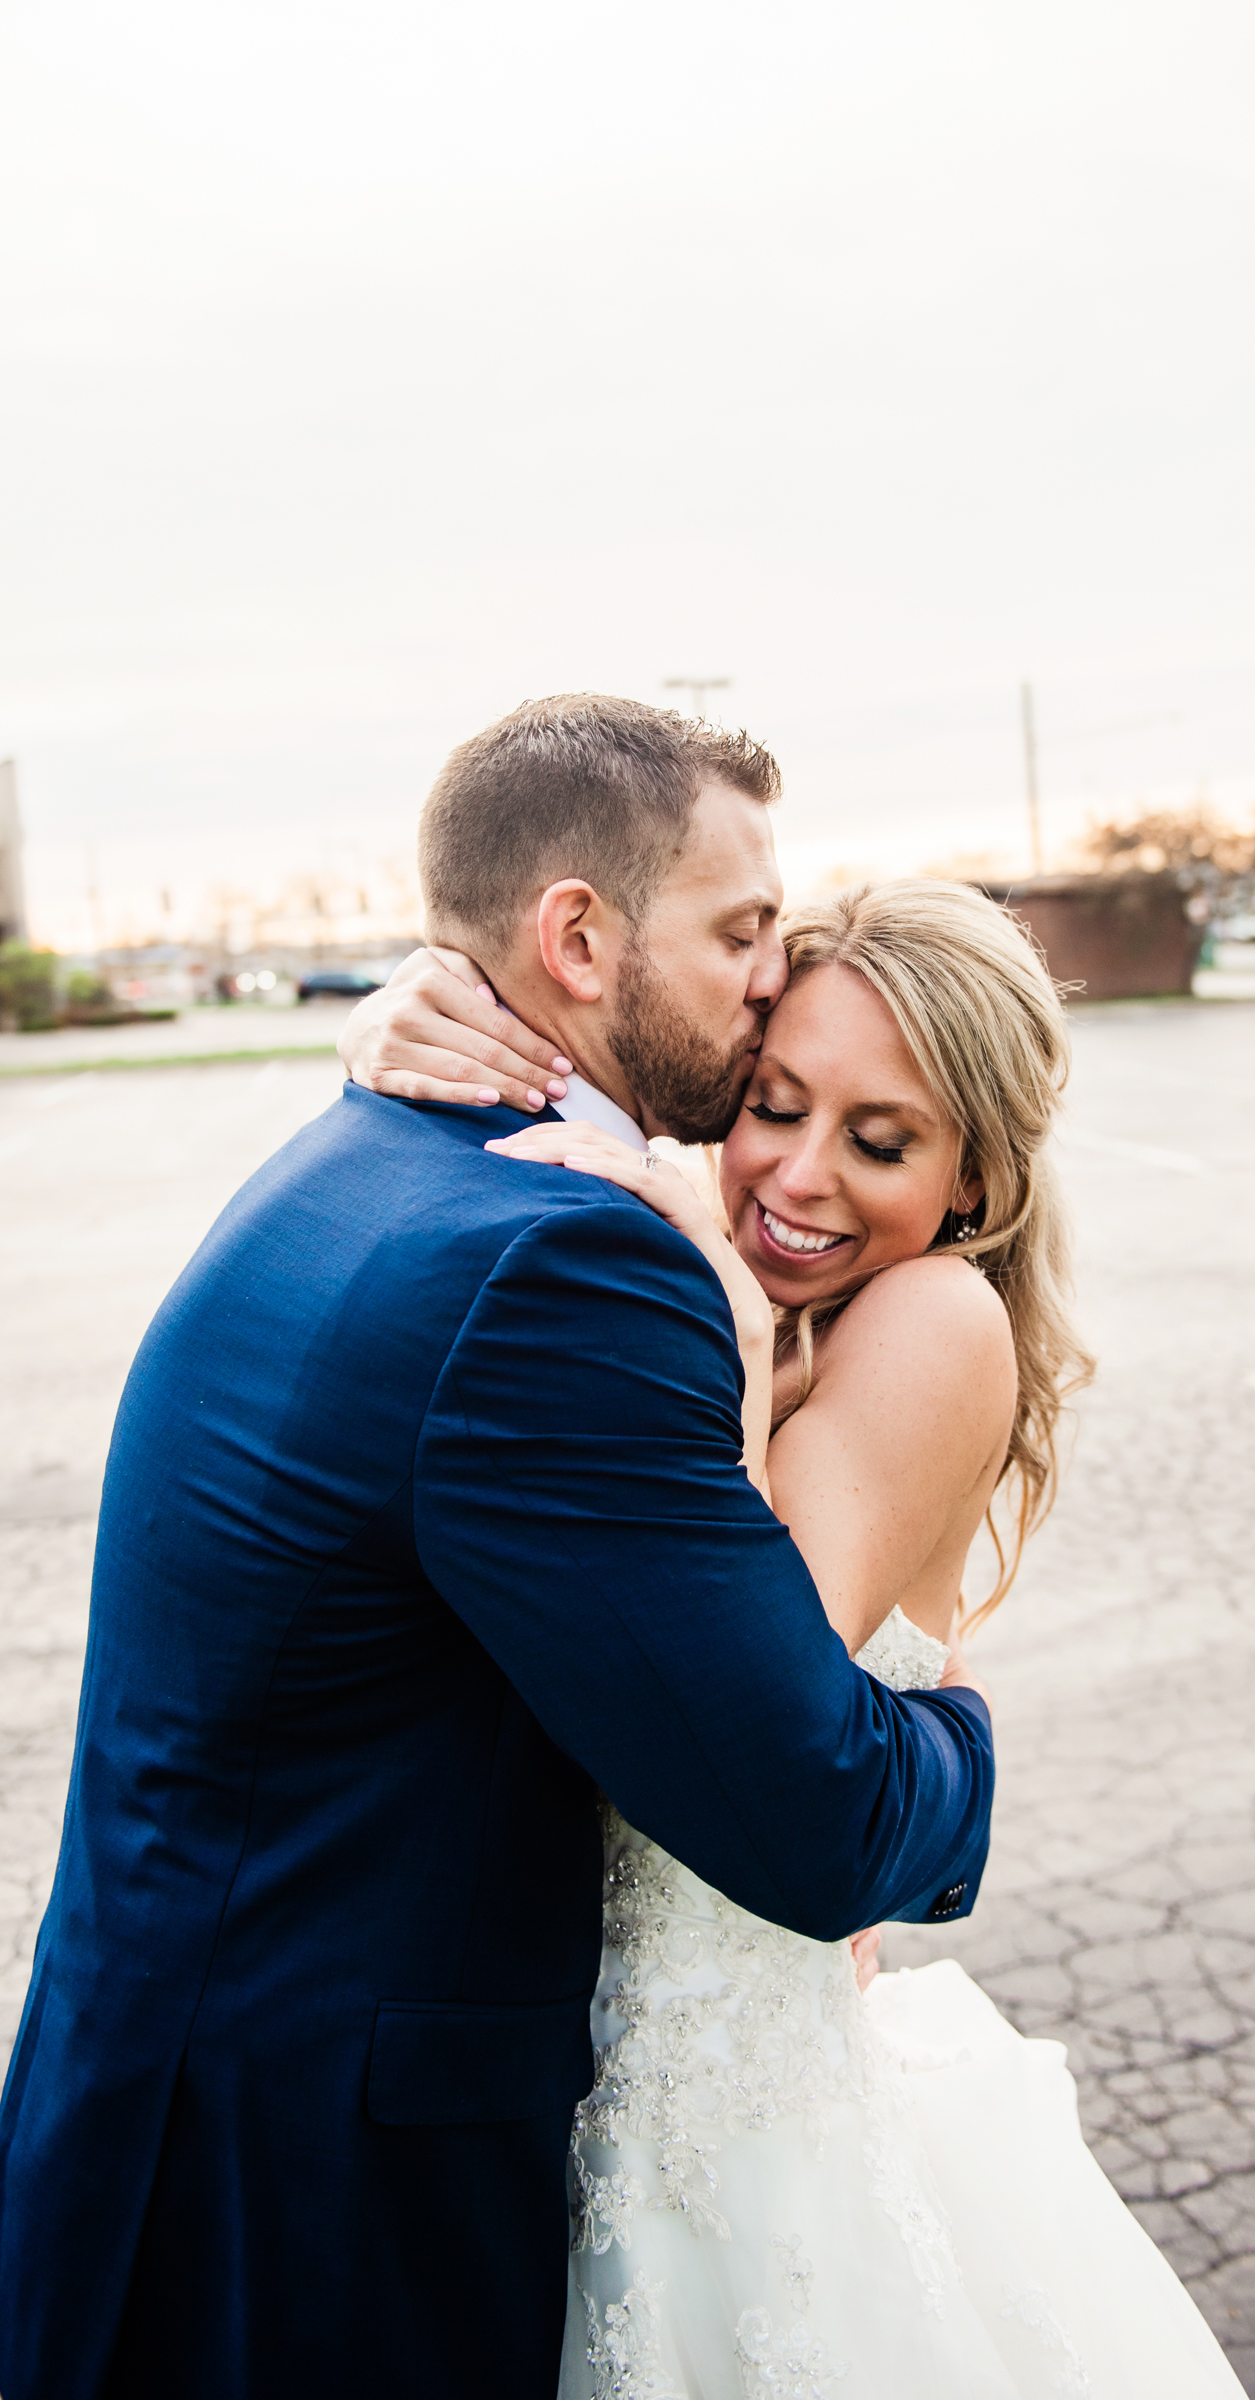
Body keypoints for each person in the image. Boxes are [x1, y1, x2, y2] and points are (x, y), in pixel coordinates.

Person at [0, 696, 996, 2400]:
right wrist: (962, 1733)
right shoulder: (561, 1265)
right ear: (579, 936)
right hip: (310, 2207)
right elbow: (818, 1816)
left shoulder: (374, 1150)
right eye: (740, 932)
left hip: (172, 2090)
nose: (769, 974)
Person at [344, 875, 1249, 2395]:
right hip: (582, 2081)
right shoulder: (725, 1262)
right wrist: (403, 1007)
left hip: (736, 2125)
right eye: (774, 1105)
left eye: (882, 1141)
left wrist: (731, 1314)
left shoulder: (929, 1323)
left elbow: (746, 1663)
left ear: (970, 1183)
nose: (802, 1177)